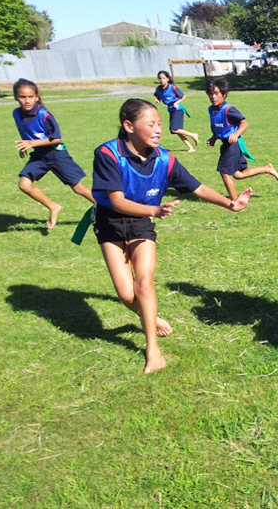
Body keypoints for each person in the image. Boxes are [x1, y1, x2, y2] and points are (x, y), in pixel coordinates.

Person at [92, 98, 252, 374]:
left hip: (142, 223)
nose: (158, 130)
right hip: (111, 223)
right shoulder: (107, 154)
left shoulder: (165, 158)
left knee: (144, 283)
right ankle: (150, 317)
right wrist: (154, 209)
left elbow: (197, 188)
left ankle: (153, 351)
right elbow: (116, 201)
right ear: (128, 126)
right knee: (125, 294)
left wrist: (230, 203)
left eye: (160, 125)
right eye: (151, 124)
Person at [11, 78, 94, 229]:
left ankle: (111, 209)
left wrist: (31, 143)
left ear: (36, 97)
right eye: (22, 97)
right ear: (16, 97)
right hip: (39, 156)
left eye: (31, 96)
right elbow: (26, 131)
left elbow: (56, 138)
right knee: (24, 184)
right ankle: (53, 207)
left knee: (78, 188)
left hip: (57, 154)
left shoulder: (44, 115)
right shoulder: (16, 113)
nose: (27, 100)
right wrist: (25, 145)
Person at [205, 78, 278, 199]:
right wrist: (214, 138)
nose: (213, 96)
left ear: (223, 95)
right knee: (238, 174)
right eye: (210, 93)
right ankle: (267, 168)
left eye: (216, 93)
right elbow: (221, 127)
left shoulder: (229, 109)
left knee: (224, 172)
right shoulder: (212, 109)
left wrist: (236, 134)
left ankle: (234, 201)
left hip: (232, 145)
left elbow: (244, 123)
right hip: (226, 144)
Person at [153, 71, 199, 152]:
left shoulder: (172, 87)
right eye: (160, 78)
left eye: (163, 78)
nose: (162, 80)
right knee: (177, 131)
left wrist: (177, 102)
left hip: (177, 109)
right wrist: (157, 100)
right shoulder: (158, 89)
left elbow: (183, 96)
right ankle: (190, 148)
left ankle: (193, 135)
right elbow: (158, 96)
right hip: (171, 109)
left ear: (167, 79)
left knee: (174, 129)